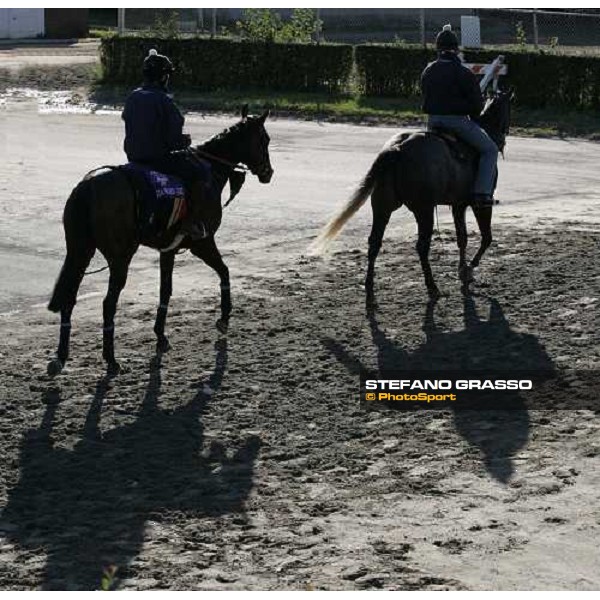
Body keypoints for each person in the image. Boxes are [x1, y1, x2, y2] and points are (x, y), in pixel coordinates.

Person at [122, 49, 210, 239]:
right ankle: (190, 222)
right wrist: (184, 141)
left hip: (133, 157)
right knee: (201, 171)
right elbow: (173, 141)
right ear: (163, 78)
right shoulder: (164, 100)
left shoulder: (132, 96)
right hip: (158, 159)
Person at [421, 25, 498, 207]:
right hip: (456, 123)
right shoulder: (463, 73)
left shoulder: (428, 71)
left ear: (438, 49)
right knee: (490, 150)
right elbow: (477, 106)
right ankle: (482, 193)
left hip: (432, 123)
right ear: (456, 49)